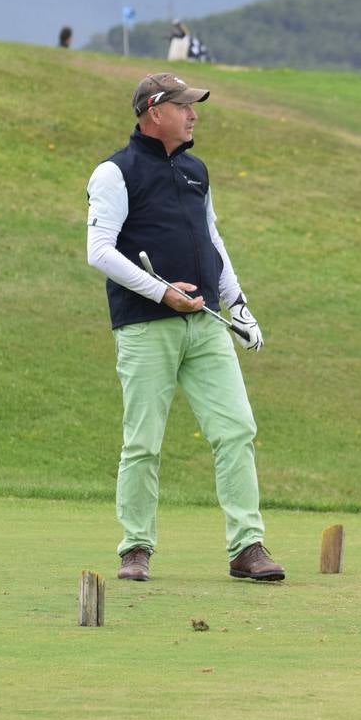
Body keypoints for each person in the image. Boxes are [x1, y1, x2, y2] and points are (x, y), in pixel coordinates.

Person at [85, 72, 283, 582]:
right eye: (185, 106)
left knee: (237, 430)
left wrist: (236, 302)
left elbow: (212, 238)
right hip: (146, 325)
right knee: (144, 441)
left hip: (206, 325)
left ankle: (247, 547)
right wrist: (162, 292)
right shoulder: (115, 172)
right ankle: (136, 548)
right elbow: (100, 251)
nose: (194, 114)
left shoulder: (196, 170)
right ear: (155, 111)